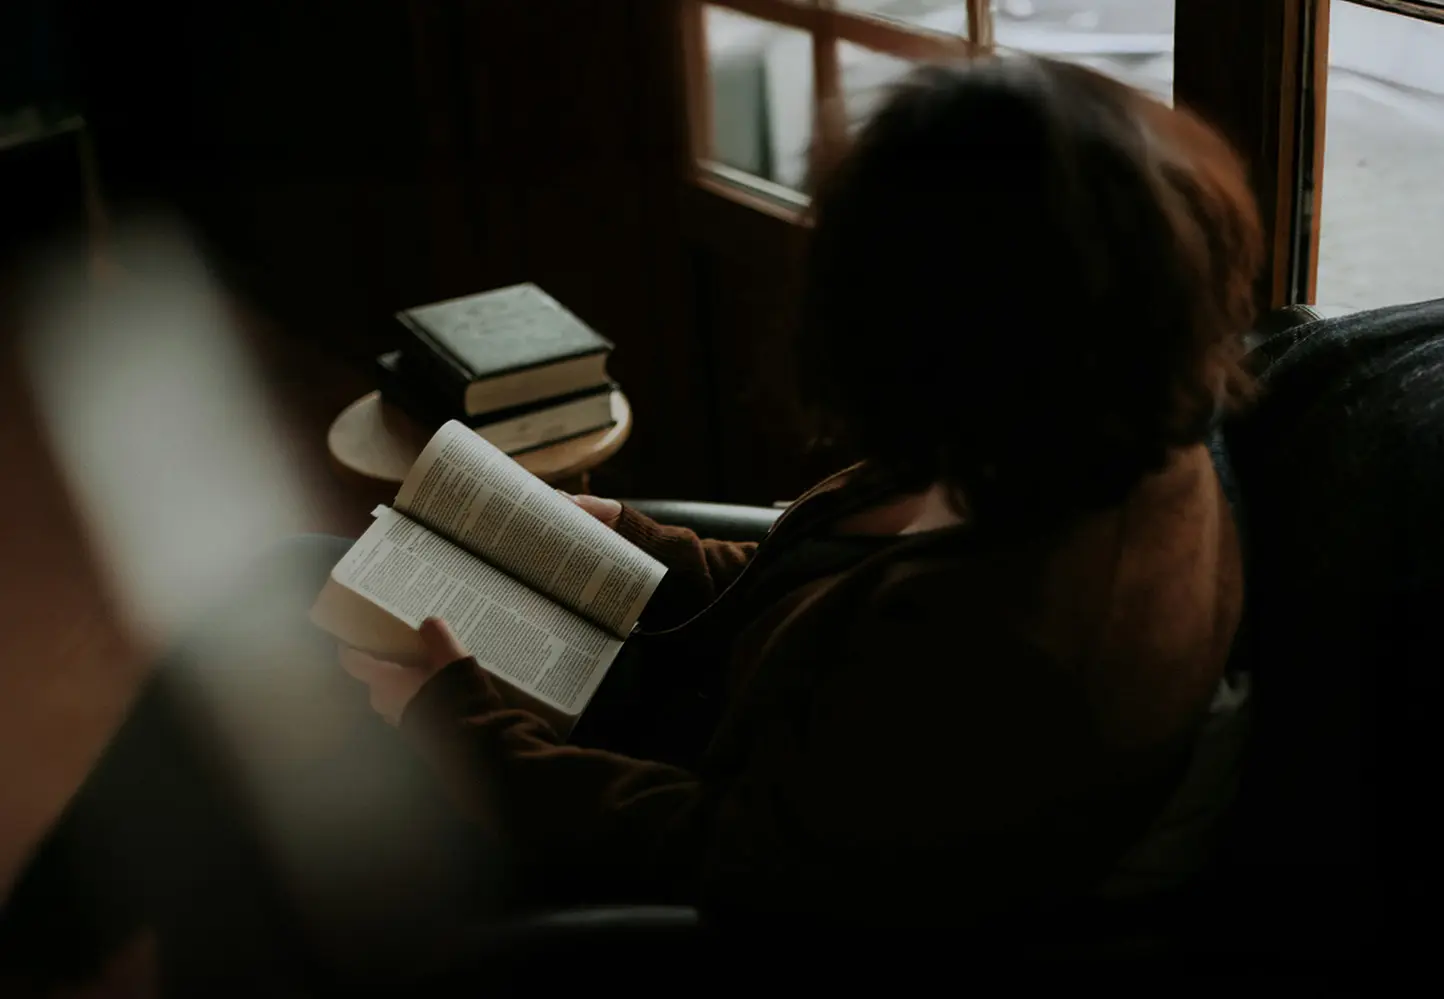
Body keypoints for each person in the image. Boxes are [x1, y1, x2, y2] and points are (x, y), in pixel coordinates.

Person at [0, 55, 1263, 993]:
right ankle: (55, 934)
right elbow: (829, 581)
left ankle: (72, 943)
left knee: (271, 766)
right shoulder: (1083, 427)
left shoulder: (1015, 646)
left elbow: (736, 862)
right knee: (275, 588)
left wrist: (455, 721)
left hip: (672, 844)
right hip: (719, 706)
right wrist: (623, 536)